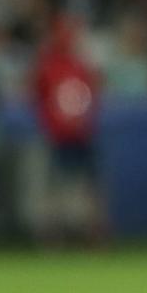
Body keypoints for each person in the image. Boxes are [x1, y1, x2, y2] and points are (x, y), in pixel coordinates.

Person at [31, 14, 106, 245]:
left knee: (87, 186)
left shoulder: (80, 66)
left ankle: (92, 235)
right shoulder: (48, 66)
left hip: (81, 135)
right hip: (58, 136)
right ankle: (53, 236)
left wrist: (83, 120)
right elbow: (39, 99)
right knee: (56, 187)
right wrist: (52, 123)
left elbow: (91, 96)